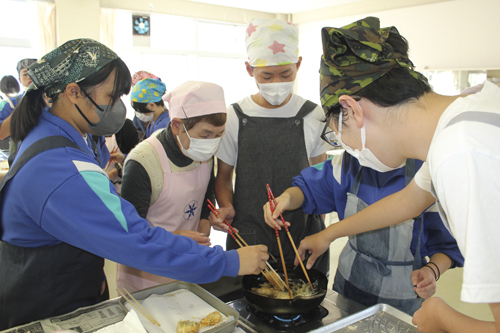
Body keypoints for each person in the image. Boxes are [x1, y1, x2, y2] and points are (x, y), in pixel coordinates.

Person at [0, 39, 268, 330]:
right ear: (73, 92)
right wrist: (228, 262)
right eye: (111, 98)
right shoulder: (61, 168)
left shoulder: (51, 132)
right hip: (46, 304)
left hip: (62, 286)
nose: (118, 108)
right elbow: (137, 239)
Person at [288, 17, 500, 331]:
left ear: (353, 110)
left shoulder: (463, 153)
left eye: (337, 135)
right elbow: (407, 202)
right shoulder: (467, 116)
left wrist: (440, 317)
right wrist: (328, 234)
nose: (346, 148)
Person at [264, 151, 464, 315]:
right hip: (349, 285)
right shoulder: (351, 161)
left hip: (401, 296)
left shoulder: (427, 174)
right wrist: (287, 198)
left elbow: (448, 245)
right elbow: (309, 188)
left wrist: (432, 270)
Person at [211, 18, 332, 275]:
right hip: (248, 233)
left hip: (302, 234)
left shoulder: (313, 115)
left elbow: (320, 178)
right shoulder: (234, 116)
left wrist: (320, 225)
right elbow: (223, 177)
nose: (276, 82)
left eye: (286, 74)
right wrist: (226, 206)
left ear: (299, 64)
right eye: (266, 75)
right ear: (249, 69)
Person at [118, 81, 227, 292]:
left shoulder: (202, 153)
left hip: (188, 264)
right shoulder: (143, 162)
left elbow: (206, 194)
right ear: (177, 125)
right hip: (147, 273)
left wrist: (205, 225)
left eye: (219, 135)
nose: (212, 142)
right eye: (205, 135)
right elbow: (129, 235)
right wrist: (174, 239)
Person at [0, 59, 37, 151]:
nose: (30, 76)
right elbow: (2, 133)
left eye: (35, 72)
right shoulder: (10, 103)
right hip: (22, 157)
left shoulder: (54, 100)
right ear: (19, 80)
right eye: (25, 74)